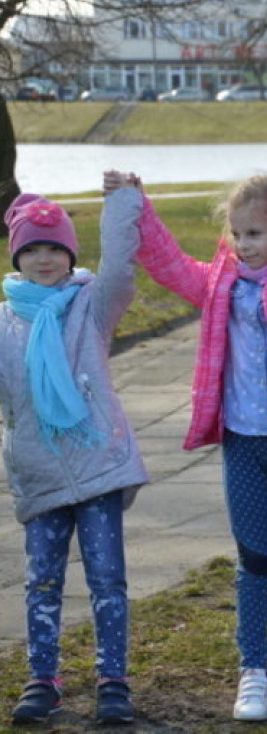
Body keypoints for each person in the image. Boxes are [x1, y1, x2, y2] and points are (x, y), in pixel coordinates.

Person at [133, 96, 267, 723]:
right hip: (242, 444)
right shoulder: (219, 283)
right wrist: (135, 205)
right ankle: (253, 670)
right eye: (238, 234)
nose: (245, 245)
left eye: (257, 234)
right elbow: (168, 264)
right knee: (254, 560)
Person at [1, 179, 149, 725]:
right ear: (17, 255)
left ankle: (113, 679)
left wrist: (122, 200)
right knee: (41, 581)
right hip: (38, 474)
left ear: (70, 253)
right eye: (32, 248)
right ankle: (44, 679)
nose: (44, 259)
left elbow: (120, 269)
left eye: (55, 247)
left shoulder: (91, 306)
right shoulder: (3, 322)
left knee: (107, 577)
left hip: (97, 468)